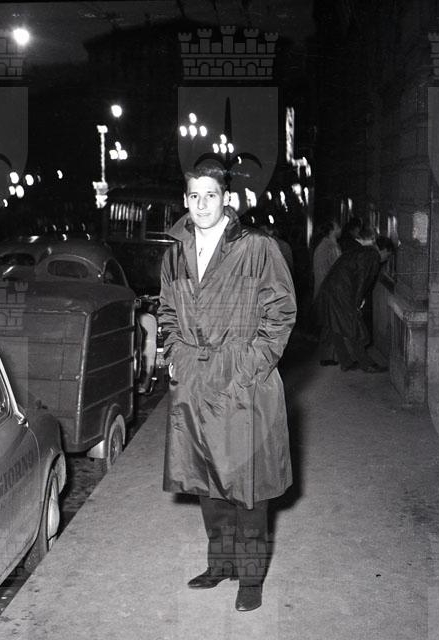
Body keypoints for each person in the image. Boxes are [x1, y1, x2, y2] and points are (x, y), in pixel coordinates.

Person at [158, 164, 297, 612]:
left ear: (227, 200)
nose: (201, 204)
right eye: (194, 195)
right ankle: (220, 564)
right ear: (185, 200)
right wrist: (176, 355)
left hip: (243, 381)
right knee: (207, 481)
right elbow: (167, 312)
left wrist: (251, 365)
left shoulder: (257, 248)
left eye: (211, 195)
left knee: (248, 486)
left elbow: (281, 312)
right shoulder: (175, 255)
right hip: (195, 380)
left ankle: (250, 578)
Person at [315, 229, 394, 372]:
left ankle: (346, 362)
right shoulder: (373, 256)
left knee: (336, 327)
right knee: (354, 327)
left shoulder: (363, 251)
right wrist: (357, 303)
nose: (386, 259)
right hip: (342, 292)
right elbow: (362, 280)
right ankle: (367, 364)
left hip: (332, 288)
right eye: (388, 256)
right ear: (384, 250)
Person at [312, 219, 341, 299]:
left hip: (321, 290)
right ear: (331, 231)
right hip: (328, 291)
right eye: (337, 228)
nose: (340, 229)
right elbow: (338, 269)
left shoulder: (321, 245)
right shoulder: (331, 247)